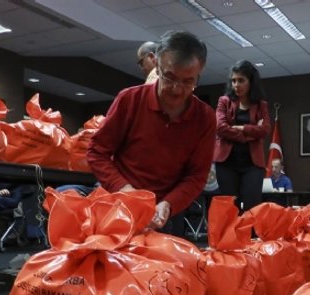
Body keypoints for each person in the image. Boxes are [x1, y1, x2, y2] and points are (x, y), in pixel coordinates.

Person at [88, 30, 215, 232]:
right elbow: (97, 152)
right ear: (156, 63)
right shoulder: (129, 100)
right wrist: (125, 190)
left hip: (164, 212)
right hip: (117, 203)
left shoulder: (205, 118)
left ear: (200, 71)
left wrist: (168, 204)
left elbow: (196, 176)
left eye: (188, 81)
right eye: (169, 77)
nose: (176, 89)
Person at [213, 60, 271, 212]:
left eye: (241, 80)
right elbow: (220, 127)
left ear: (251, 82)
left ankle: (251, 237)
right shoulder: (224, 102)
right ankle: (231, 236)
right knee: (230, 208)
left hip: (252, 164)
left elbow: (264, 130)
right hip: (227, 163)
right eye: (233, 81)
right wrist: (249, 134)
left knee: (253, 206)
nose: (236, 85)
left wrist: (241, 127)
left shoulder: (260, 105)